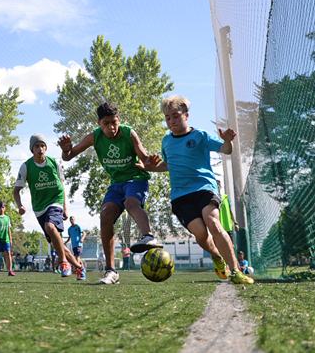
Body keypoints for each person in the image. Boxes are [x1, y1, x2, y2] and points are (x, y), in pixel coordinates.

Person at [143, 95, 254, 285]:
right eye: (168, 118)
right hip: (180, 196)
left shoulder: (200, 136)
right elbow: (168, 165)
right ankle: (217, 256)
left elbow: (226, 150)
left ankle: (236, 271)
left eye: (175, 116)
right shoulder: (166, 141)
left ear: (186, 115)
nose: (171, 121)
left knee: (213, 223)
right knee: (201, 234)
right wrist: (151, 167)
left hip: (204, 188)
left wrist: (228, 141)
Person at [58, 102, 159, 285]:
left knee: (130, 203)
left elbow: (144, 158)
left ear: (118, 119)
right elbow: (68, 156)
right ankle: (111, 271)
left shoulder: (129, 133)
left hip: (135, 178)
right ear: (99, 123)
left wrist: (150, 161)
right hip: (116, 184)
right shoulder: (94, 137)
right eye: (106, 123)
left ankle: (148, 236)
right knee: (105, 215)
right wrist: (66, 149)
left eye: (114, 122)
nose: (111, 127)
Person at [14, 134, 84, 280]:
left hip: (55, 201)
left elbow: (62, 185)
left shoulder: (55, 162)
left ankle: (64, 263)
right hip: (39, 208)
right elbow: (16, 191)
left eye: (42, 146)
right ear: (32, 149)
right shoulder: (26, 166)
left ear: (46, 148)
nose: (40, 149)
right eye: (37, 146)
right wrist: (20, 205)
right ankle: (79, 267)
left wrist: (65, 207)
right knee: (59, 245)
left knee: (50, 226)